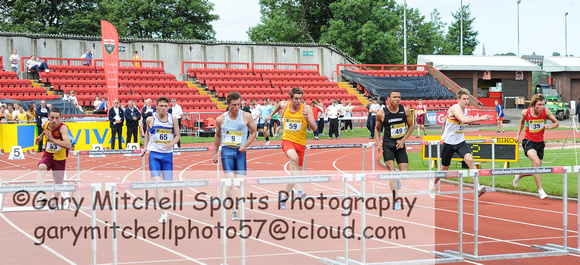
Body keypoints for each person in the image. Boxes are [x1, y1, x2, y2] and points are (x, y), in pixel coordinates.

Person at [429, 88, 491, 199]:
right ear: (458, 99)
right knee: (444, 168)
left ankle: (477, 187)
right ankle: (432, 183)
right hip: (449, 142)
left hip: (460, 141)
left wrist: (444, 125)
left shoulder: (465, 110)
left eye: (467, 99)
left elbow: (447, 118)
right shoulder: (455, 108)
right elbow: (463, 120)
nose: (466, 101)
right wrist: (481, 117)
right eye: (464, 99)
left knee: (470, 160)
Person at [265, 87, 317, 209]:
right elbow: (278, 105)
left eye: (300, 99)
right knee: (293, 159)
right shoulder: (285, 105)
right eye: (296, 99)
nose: (298, 101)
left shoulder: (307, 109)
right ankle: (298, 189)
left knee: (295, 173)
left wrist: (308, 119)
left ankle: (284, 196)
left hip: (301, 143)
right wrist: (270, 115)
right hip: (287, 140)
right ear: (291, 98)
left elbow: (314, 128)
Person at [212, 91, 257, 221]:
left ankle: (231, 200)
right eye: (234, 105)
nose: (237, 107)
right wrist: (215, 152)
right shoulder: (221, 119)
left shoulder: (246, 116)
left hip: (241, 152)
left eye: (239, 105)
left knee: (239, 182)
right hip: (227, 152)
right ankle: (234, 210)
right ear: (228, 104)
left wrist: (245, 145)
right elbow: (218, 136)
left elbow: (253, 133)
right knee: (230, 181)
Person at [140, 96, 181, 223]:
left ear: (168, 107)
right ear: (156, 107)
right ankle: (164, 212)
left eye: (165, 106)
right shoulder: (150, 119)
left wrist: (171, 144)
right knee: (156, 183)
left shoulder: (172, 118)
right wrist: (145, 147)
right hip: (154, 155)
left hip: (167, 155)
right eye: (161, 106)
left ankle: (165, 191)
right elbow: (147, 134)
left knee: (167, 188)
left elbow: (178, 135)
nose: (163, 108)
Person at [513, 94, 559, 200]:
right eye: (539, 105)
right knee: (536, 163)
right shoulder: (526, 112)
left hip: (540, 143)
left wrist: (550, 126)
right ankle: (540, 190)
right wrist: (517, 135)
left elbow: (557, 123)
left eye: (543, 104)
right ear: (534, 105)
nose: (541, 107)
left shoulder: (546, 112)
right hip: (528, 142)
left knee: (537, 168)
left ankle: (519, 175)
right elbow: (521, 122)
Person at [374, 90, 414, 210]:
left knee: (404, 174)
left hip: (400, 145)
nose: (397, 99)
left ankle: (397, 180)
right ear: (389, 99)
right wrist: (378, 143)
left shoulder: (405, 110)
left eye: (399, 97)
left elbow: (411, 126)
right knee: (391, 171)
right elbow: (377, 130)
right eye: (395, 97)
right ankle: (396, 200)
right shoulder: (381, 113)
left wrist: (403, 140)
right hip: (388, 145)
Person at [35, 107, 72, 210]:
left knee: (58, 184)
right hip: (49, 155)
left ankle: (54, 199)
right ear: (48, 117)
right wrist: (41, 136)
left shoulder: (62, 128)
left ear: (60, 118)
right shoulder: (45, 124)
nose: (54, 120)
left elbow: (68, 144)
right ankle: (41, 195)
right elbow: (45, 129)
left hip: (60, 158)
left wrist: (52, 140)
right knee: (41, 167)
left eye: (57, 118)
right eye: (52, 118)